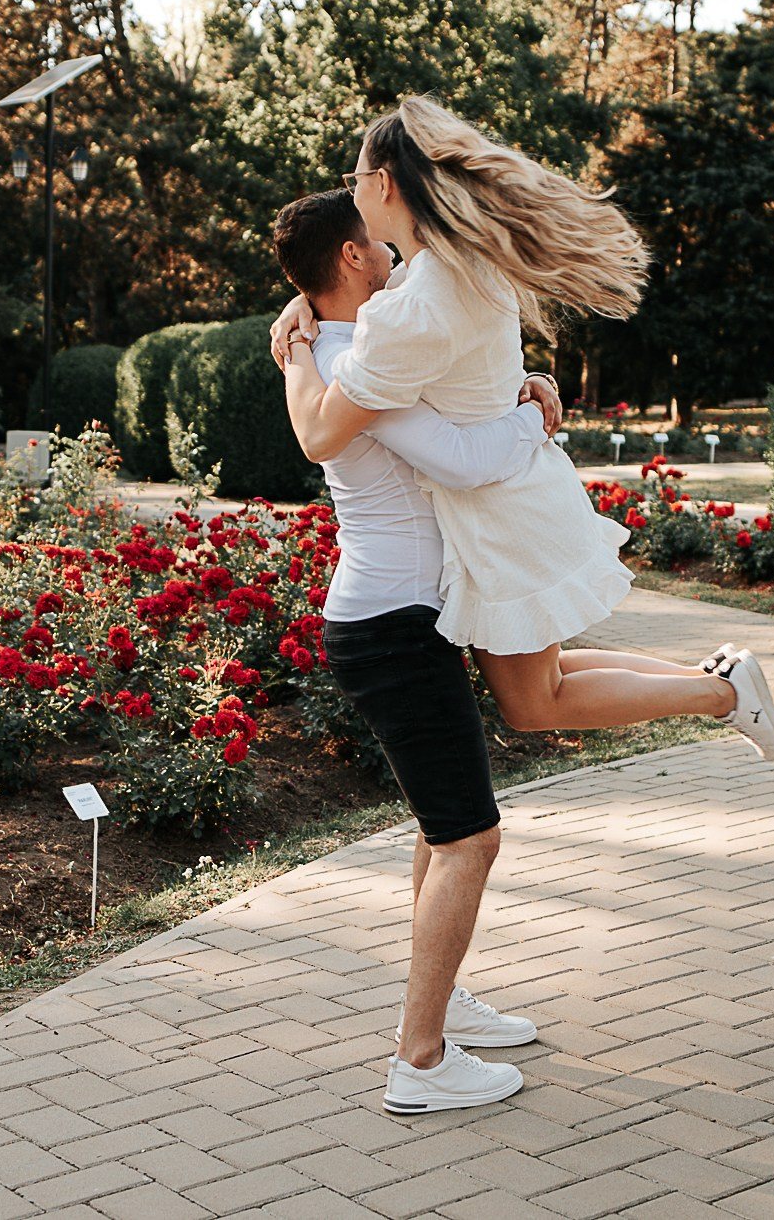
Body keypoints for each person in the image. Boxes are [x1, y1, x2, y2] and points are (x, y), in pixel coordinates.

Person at [273, 96, 774, 760]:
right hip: (514, 498)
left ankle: (720, 693)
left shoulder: (414, 302)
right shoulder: (455, 263)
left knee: (535, 700)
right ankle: (718, 679)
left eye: (355, 178)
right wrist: (302, 301)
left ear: (386, 184)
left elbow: (321, 434)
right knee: (540, 684)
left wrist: (299, 348)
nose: (353, 190)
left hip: (496, 509)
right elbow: (407, 327)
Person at [272, 189, 557, 1115]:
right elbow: (466, 463)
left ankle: (443, 1003)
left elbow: (451, 421)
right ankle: (420, 1060)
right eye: (379, 248)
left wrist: (508, 395)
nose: (394, 256)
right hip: (392, 626)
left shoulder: (325, 348)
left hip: (392, 618)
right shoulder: (358, 363)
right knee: (472, 837)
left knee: (446, 834)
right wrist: (539, 418)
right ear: (353, 260)